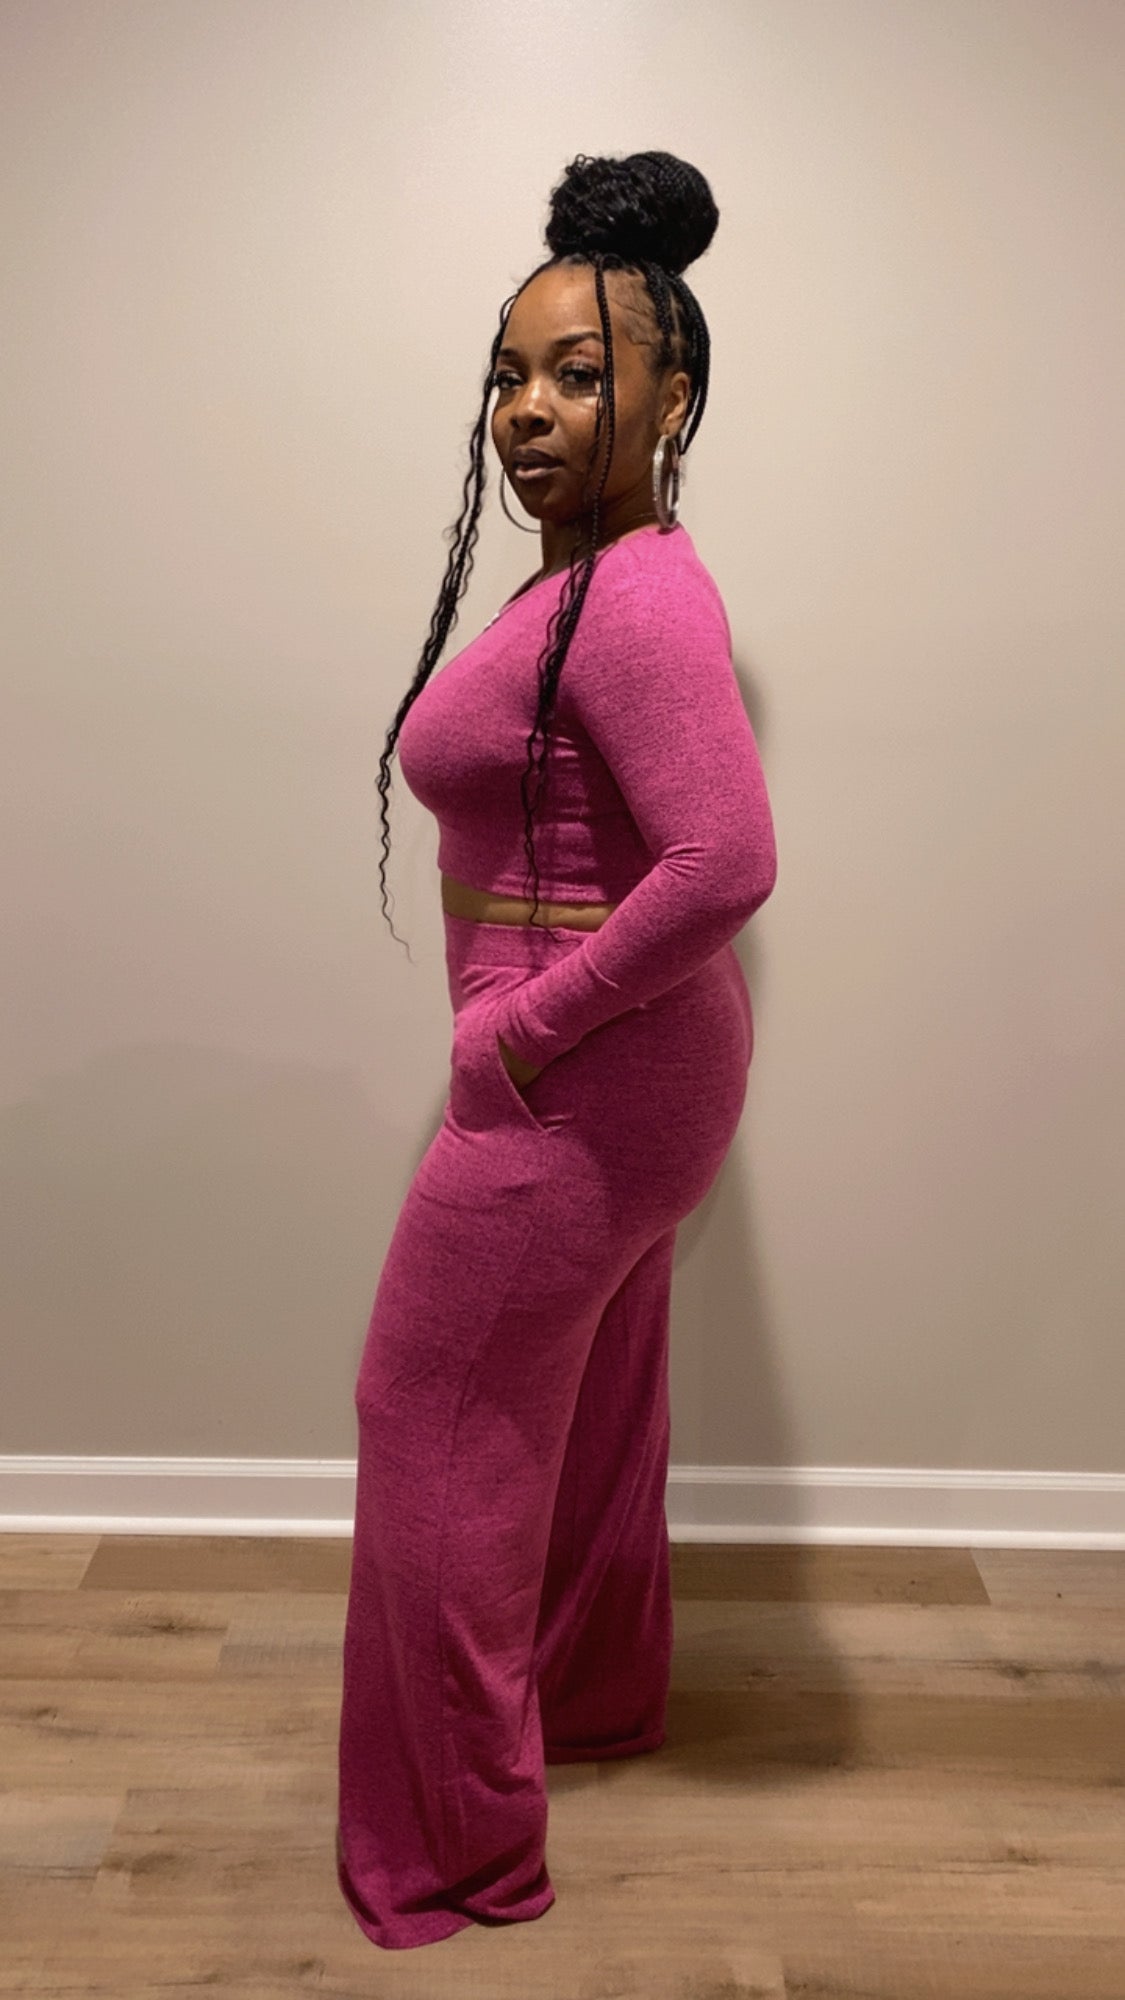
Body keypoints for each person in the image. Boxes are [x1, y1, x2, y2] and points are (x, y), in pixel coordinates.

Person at [336, 149, 778, 1950]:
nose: (527, 409)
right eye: (509, 374)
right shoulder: (592, 581)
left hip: (584, 1086)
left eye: (579, 376)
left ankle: (459, 1848)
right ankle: (586, 1698)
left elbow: (723, 861)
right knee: (581, 1406)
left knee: (429, 1413)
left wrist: (518, 1033)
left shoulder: (641, 595)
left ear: (671, 402)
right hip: (638, 1085)